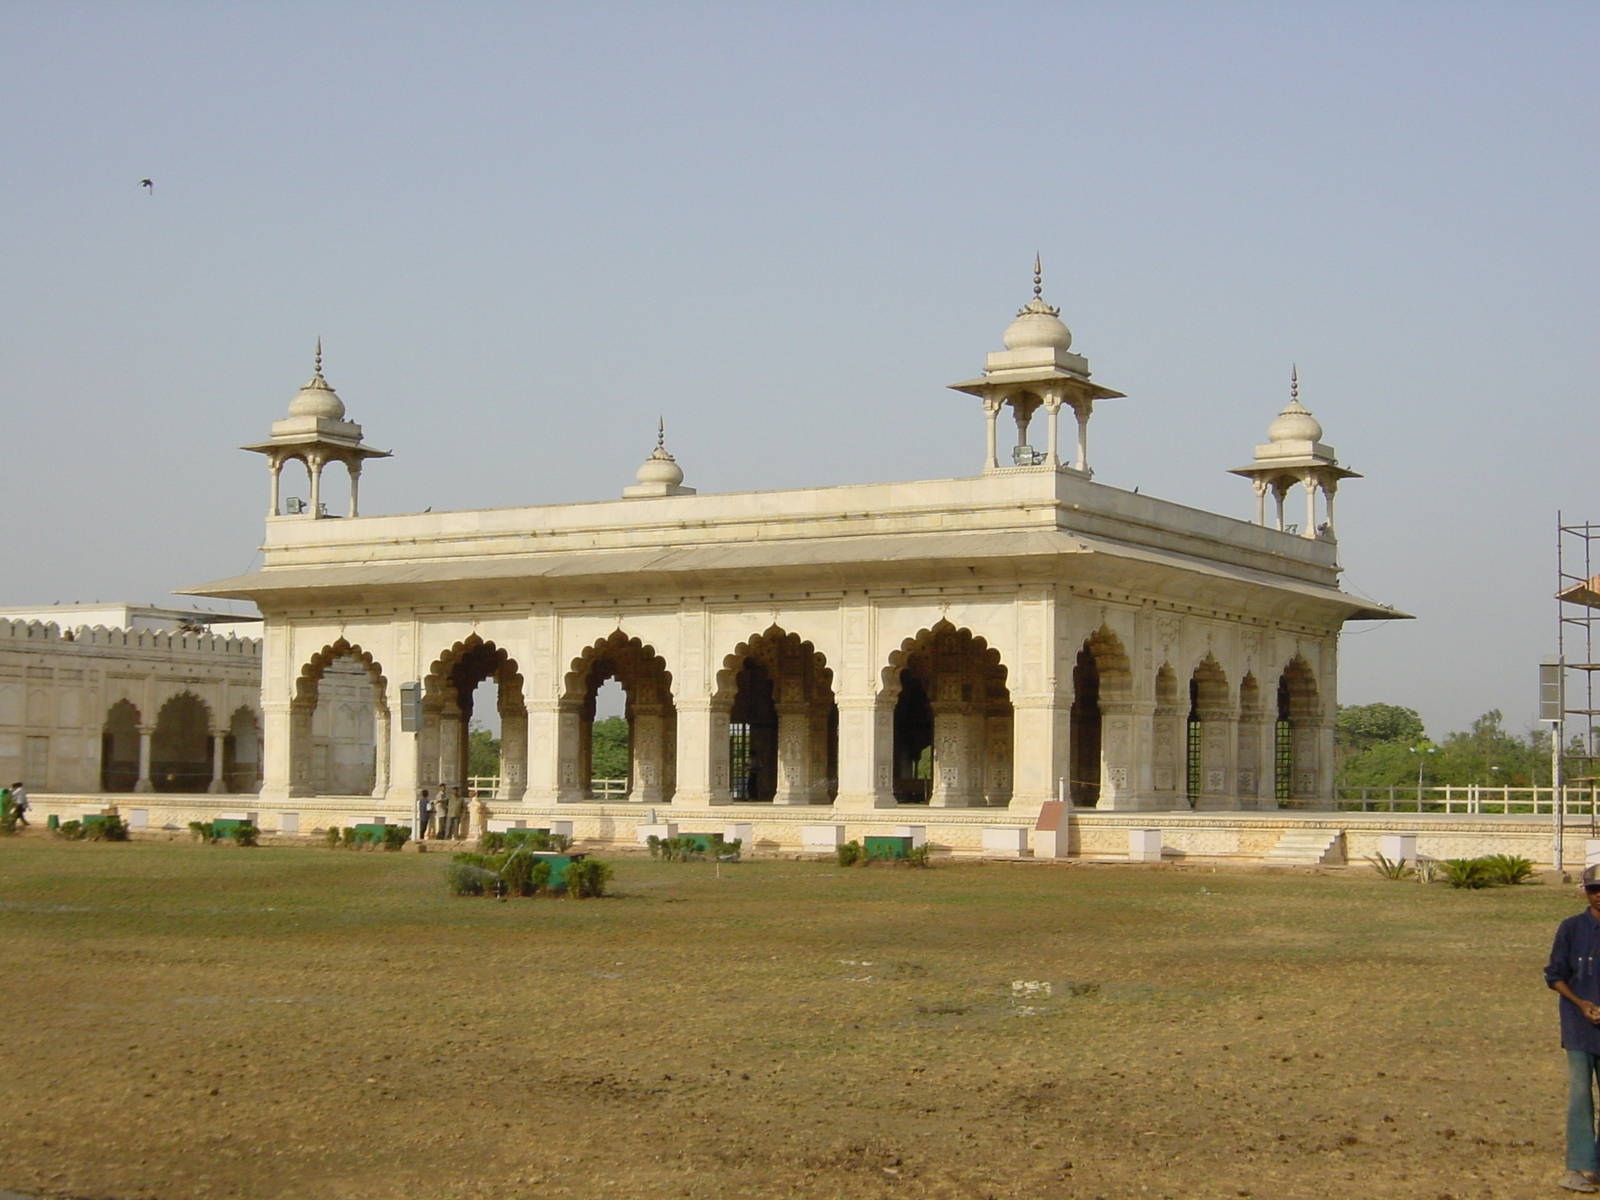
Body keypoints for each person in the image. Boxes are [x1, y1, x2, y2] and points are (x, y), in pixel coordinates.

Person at [1545, 865, 1600, 1192]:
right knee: (1580, 1097)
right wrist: (1582, 1005)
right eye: (1595, 889)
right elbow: (1554, 976)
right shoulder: (1571, 929)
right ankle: (1576, 1168)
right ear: (1586, 891)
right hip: (1579, 1029)